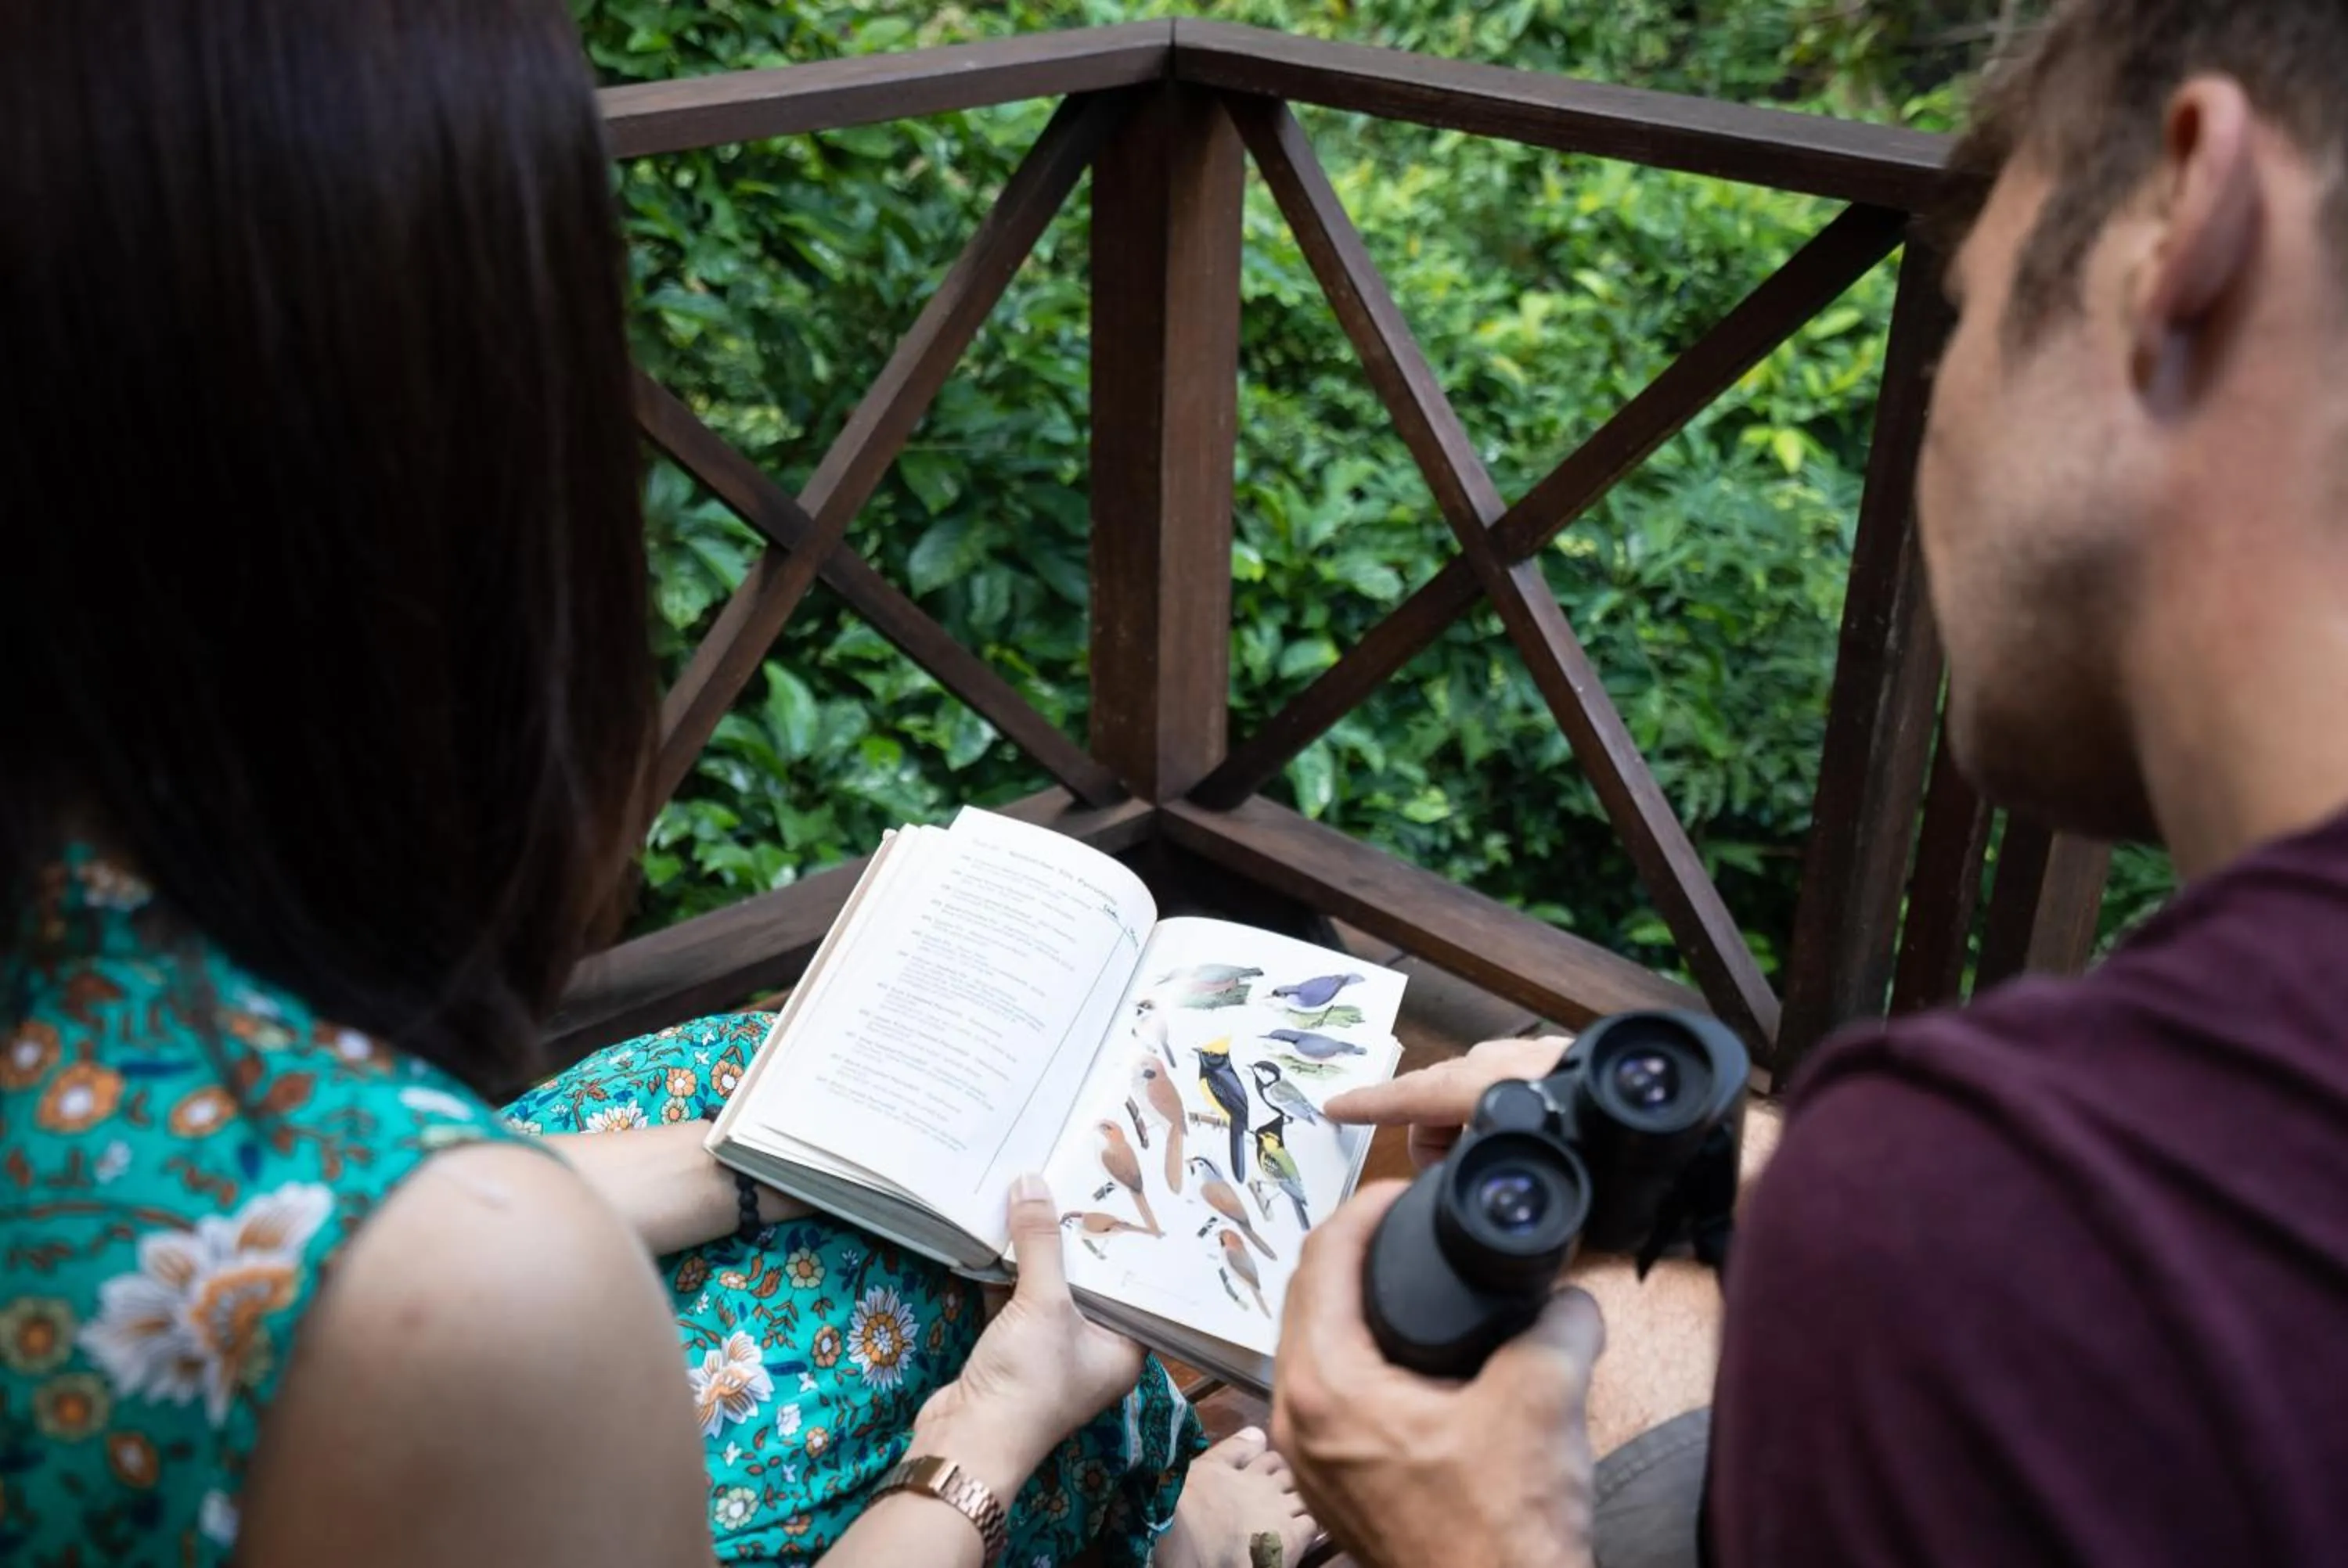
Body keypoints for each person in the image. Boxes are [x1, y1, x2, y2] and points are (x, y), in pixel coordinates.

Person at [0, 3, 1318, 1566]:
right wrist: (986, 1441)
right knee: (1041, 1376)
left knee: (746, 1089)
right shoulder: (461, 1297)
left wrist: (763, 1165)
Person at [1269, 1, 2348, 1564]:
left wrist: (1468, 1546)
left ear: (2183, 227)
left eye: (1967, 316)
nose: (1940, 423)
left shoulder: (2017, 1212)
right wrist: (1780, 1175)